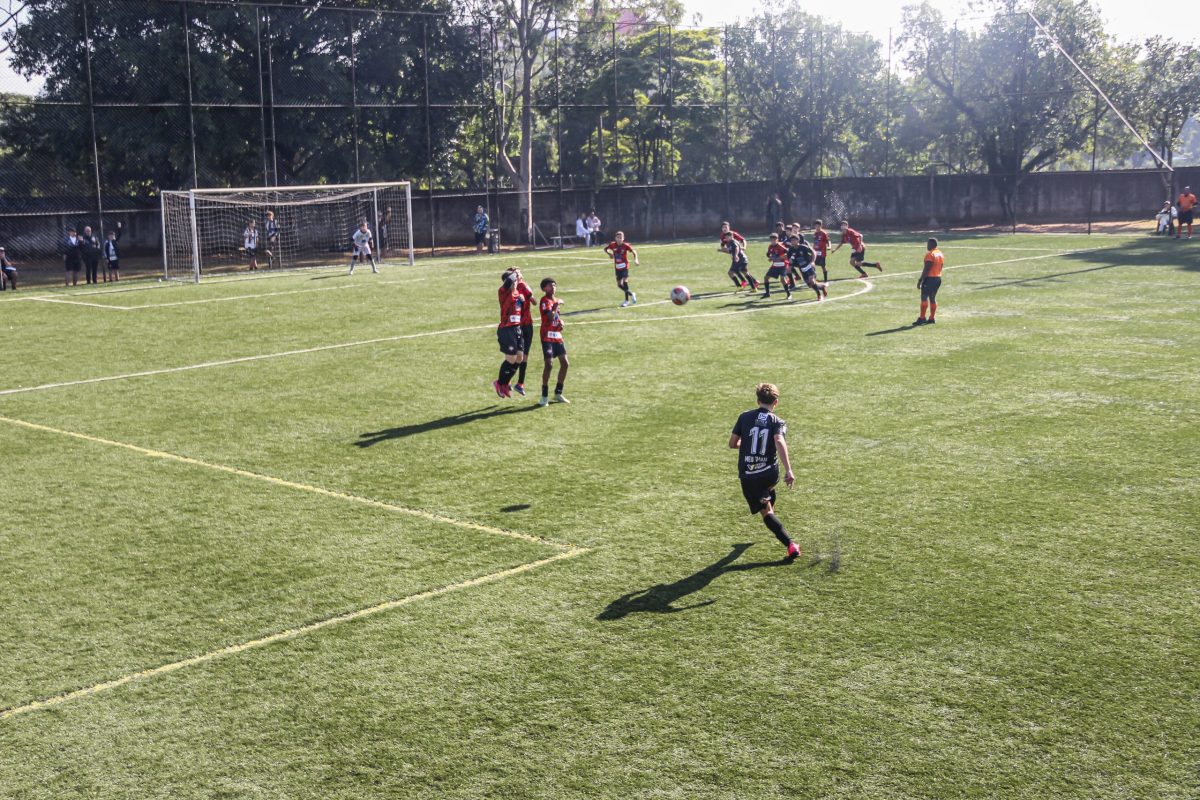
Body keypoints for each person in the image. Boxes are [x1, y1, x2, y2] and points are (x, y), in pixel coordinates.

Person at [728, 382, 800, 560]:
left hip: (749, 476)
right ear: (776, 402)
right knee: (767, 495)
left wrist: (746, 446)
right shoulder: (778, 421)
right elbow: (779, 441)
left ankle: (790, 545)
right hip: (770, 473)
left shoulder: (744, 417)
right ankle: (766, 497)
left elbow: (732, 444)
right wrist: (789, 470)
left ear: (757, 400)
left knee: (766, 513)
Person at [493, 268, 526, 398]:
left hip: (517, 328)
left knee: (519, 358)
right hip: (506, 329)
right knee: (511, 358)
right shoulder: (503, 292)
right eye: (514, 280)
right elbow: (509, 282)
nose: (516, 282)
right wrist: (515, 273)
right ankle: (499, 383)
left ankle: (505, 383)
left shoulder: (517, 293)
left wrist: (522, 299)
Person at [538, 277, 570, 406]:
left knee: (565, 363)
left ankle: (558, 392)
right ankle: (544, 396)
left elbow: (555, 318)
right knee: (549, 365)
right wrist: (556, 305)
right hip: (547, 337)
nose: (553, 287)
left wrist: (560, 323)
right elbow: (550, 317)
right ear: (544, 288)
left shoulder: (555, 300)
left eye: (554, 285)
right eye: (550, 285)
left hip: (557, 336)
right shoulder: (544, 301)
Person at [513, 268, 535, 396]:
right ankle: (515, 382)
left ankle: (517, 383)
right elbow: (534, 302)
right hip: (523, 325)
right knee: (521, 356)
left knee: (519, 356)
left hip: (517, 325)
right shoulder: (522, 285)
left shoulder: (507, 289)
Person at [913, 237, 944, 326]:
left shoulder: (930, 255)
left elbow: (927, 268)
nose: (927, 245)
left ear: (932, 244)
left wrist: (920, 280)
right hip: (938, 278)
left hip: (930, 279)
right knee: (932, 298)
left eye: (928, 244)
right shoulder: (940, 254)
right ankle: (931, 318)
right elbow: (941, 266)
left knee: (924, 297)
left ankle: (922, 318)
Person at [788, 233, 827, 300]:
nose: (793, 242)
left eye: (794, 240)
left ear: (798, 240)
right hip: (802, 269)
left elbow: (814, 252)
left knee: (811, 280)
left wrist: (812, 261)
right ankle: (822, 286)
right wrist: (790, 265)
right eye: (791, 240)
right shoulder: (790, 250)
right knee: (810, 285)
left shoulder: (803, 247)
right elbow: (790, 260)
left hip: (809, 266)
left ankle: (819, 295)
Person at [604, 231, 638, 307]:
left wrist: (636, 259)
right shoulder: (612, 245)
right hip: (617, 267)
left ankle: (626, 301)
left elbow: (634, 252)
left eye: (621, 238)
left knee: (625, 282)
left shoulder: (625, 245)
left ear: (623, 238)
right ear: (615, 238)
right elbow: (605, 249)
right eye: (618, 237)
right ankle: (631, 294)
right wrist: (610, 254)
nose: (619, 239)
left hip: (625, 266)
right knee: (619, 285)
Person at [763, 232, 793, 300]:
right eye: (771, 240)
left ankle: (789, 294)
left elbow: (788, 253)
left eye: (774, 240)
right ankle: (767, 293)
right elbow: (768, 254)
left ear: (777, 240)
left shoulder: (780, 246)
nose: (773, 241)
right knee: (766, 278)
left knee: (782, 279)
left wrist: (780, 258)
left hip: (783, 265)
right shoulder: (770, 246)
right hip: (775, 265)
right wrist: (770, 258)